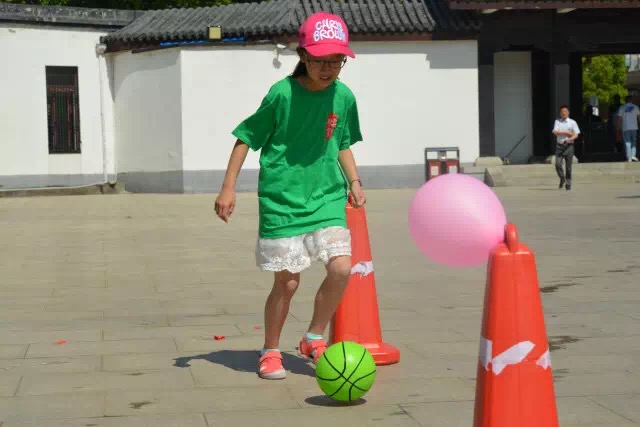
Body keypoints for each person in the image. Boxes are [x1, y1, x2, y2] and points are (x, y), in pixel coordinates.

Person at [214, 12, 366, 380]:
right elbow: (246, 137)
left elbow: (341, 142)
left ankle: (313, 337)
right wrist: (228, 188)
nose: (328, 69)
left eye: (336, 61)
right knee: (288, 282)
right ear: (302, 56)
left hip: (326, 197)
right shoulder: (281, 94)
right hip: (282, 201)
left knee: (341, 268)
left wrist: (355, 181)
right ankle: (270, 350)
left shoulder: (343, 96)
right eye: (319, 60)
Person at [552, 105, 580, 190]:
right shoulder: (557, 121)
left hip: (569, 146)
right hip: (559, 146)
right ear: (560, 113)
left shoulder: (572, 122)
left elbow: (576, 135)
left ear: (568, 112)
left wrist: (569, 139)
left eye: (565, 111)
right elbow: (555, 132)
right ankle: (562, 178)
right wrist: (567, 133)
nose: (564, 113)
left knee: (568, 166)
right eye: (562, 112)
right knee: (557, 165)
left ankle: (568, 183)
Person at [617, 95, 640, 162]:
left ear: (625, 100)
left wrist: (618, 127)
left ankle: (629, 158)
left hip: (625, 127)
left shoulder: (622, 107)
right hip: (634, 127)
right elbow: (639, 117)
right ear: (631, 100)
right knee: (634, 142)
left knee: (627, 143)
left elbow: (619, 119)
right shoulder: (636, 107)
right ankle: (633, 156)